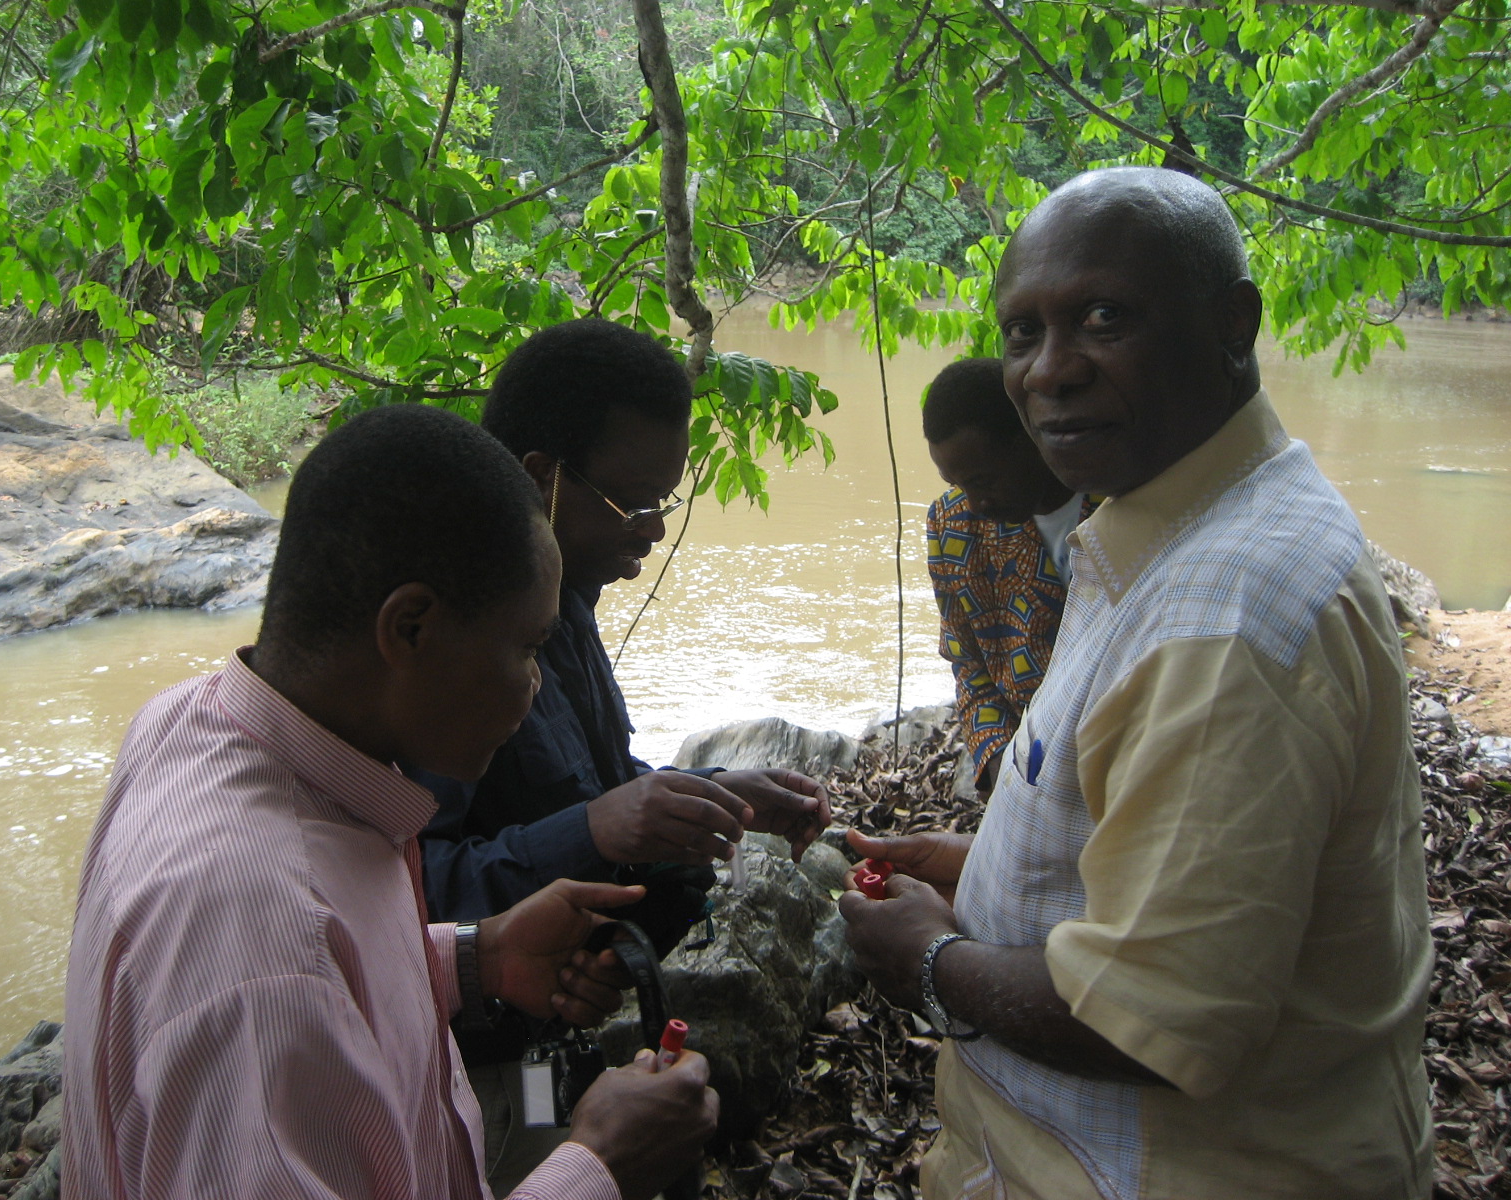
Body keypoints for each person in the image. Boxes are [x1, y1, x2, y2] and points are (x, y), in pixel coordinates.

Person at [841, 167, 1432, 1199]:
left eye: (1104, 317)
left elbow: (1148, 1020)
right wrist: (986, 865)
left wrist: (929, 959)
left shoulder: (1225, 615)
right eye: (1021, 333)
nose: (1050, 371)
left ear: (1230, 326)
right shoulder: (1168, 525)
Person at [61, 405, 719, 1200]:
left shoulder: (188, 718)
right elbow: (293, 980)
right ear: (410, 628)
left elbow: (329, 983)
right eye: (526, 647)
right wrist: (599, 1166)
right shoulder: (265, 960)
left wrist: (471, 958)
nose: (535, 685)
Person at [411, 318, 830, 1191]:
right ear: (541, 477)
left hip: (536, 1049)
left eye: (665, 505)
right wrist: (598, 828)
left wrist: (710, 795)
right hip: (445, 1069)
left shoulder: (566, 599)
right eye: (632, 505)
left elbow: (594, 785)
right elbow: (405, 897)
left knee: (545, 1139)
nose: (651, 534)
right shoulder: (437, 649)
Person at [923, 356, 1099, 791]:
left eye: (984, 480)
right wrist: (997, 753)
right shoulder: (952, 525)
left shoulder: (1116, 507)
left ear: (1029, 439)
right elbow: (966, 662)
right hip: (1026, 765)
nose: (976, 503)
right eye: (957, 483)